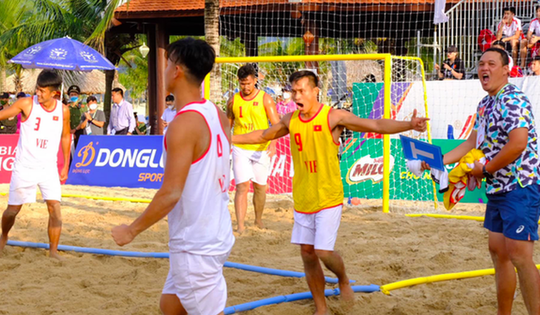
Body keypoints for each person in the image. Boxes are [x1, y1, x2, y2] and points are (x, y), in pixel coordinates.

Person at [233, 70, 428, 314]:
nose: (296, 96)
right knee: (307, 253)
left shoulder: (333, 117)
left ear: (316, 92)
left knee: (322, 251)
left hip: (329, 196)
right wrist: (231, 137)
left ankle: (343, 279)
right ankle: (321, 308)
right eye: (293, 91)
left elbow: (376, 124)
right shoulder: (290, 120)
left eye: (301, 91)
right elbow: (263, 134)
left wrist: (409, 124)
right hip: (303, 196)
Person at [111, 37, 234, 315]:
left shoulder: (184, 124)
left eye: (167, 64)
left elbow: (171, 192)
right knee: (170, 305)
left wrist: (131, 231)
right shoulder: (215, 112)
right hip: (213, 233)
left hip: (196, 245)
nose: (165, 69)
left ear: (177, 70)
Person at [423, 48, 540, 315]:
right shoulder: (485, 103)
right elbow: (471, 142)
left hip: (522, 185)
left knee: (519, 256)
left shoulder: (513, 98)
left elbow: (518, 144)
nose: (484, 68)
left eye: (491, 63)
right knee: (498, 252)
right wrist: (439, 160)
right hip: (498, 186)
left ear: (506, 69)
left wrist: (485, 170)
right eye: (480, 63)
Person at [0, 70, 71, 260]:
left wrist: (65, 165)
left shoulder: (63, 110)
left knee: (54, 208)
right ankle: (3, 236)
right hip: (25, 166)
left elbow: (65, 137)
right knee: (13, 210)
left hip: (48, 167)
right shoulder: (27, 103)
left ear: (54, 92)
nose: (38, 93)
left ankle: (53, 251)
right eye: (37, 89)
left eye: (42, 91)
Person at [226, 63, 280, 233]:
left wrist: (273, 143)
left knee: (260, 186)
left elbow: (276, 124)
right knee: (241, 186)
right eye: (242, 83)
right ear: (238, 82)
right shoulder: (233, 100)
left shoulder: (265, 98)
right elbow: (228, 125)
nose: (246, 87)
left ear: (255, 81)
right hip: (240, 147)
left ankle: (258, 219)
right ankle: (240, 225)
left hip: (261, 148)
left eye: (248, 83)